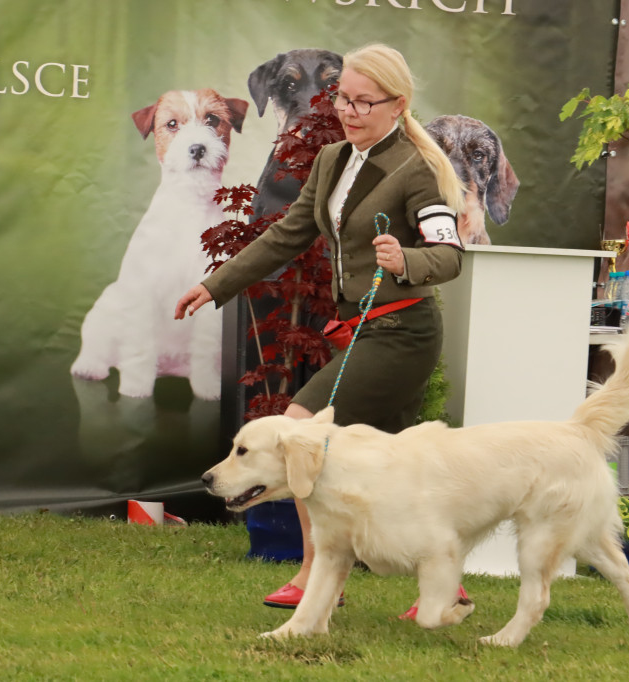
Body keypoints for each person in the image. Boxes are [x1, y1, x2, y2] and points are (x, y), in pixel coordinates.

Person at [175, 43, 469, 615]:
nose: (349, 111)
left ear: (397, 104)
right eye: (343, 99)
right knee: (400, 475)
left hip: (401, 332)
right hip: (359, 330)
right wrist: (216, 285)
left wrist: (405, 261)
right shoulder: (332, 157)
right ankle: (448, 589)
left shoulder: (418, 169)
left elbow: (450, 255)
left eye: (364, 102)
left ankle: (315, 578)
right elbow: (287, 234)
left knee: (299, 433)